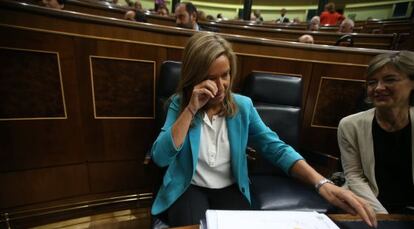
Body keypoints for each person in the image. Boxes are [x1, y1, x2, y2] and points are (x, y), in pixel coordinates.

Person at [150, 32, 377, 227]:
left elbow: (276, 148)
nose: (221, 87)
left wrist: (321, 183)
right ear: (194, 77)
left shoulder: (243, 106)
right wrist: (191, 108)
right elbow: (160, 158)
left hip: (229, 188)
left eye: (226, 75)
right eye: (210, 78)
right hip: (189, 188)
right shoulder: (179, 104)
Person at [338, 51, 414, 214]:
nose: (378, 88)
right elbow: (354, 177)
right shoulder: (350, 125)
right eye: (372, 82)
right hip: (368, 203)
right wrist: (383, 217)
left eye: (390, 80)